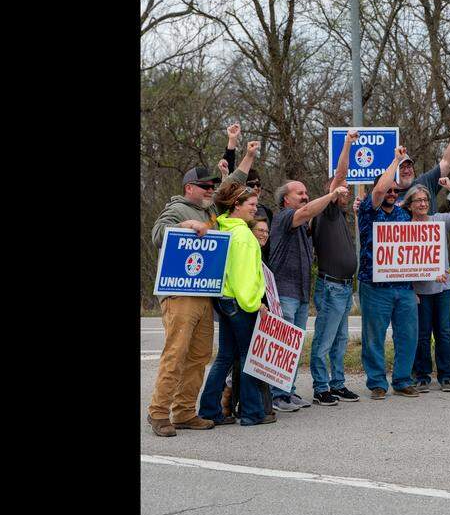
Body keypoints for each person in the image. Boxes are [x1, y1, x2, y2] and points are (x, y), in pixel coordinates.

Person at [146, 141, 258, 437]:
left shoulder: (211, 210)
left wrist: (247, 156)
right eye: (204, 186)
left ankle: (184, 412)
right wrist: (185, 226)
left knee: (199, 356)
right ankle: (158, 413)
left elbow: (231, 185)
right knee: (176, 354)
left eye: (211, 186)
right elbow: (158, 235)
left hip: (205, 296)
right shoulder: (177, 209)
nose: (210, 190)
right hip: (180, 295)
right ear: (188, 188)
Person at [197, 182, 275, 426]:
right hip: (241, 304)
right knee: (247, 357)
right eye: (251, 205)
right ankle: (252, 413)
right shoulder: (242, 235)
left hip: (224, 300)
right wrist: (253, 304)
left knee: (225, 357)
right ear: (236, 205)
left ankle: (210, 410)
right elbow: (243, 276)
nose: (255, 209)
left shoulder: (224, 227)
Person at [268, 178, 349, 412]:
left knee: (293, 346)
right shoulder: (285, 217)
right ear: (286, 199)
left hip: (301, 293)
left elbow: (312, 210)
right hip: (285, 292)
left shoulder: (303, 224)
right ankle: (277, 394)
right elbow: (307, 210)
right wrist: (331, 195)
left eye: (306, 192)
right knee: (282, 345)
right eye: (300, 193)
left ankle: (288, 391)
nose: (305, 196)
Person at [357, 146, 419, 399]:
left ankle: (402, 379)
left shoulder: (405, 214)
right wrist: (395, 160)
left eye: (395, 191)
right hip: (375, 286)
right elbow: (380, 190)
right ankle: (377, 382)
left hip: (403, 287)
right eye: (388, 190)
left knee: (407, 335)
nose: (391, 194)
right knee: (374, 336)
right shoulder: (368, 210)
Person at [401, 177, 450, 392]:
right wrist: (410, 288)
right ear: (409, 204)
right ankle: (422, 376)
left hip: (442, 289)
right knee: (421, 335)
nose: (422, 204)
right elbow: (401, 261)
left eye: (425, 200)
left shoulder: (438, 221)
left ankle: (446, 377)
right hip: (419, 290)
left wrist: (449, 188)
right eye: (417, 200)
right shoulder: (403, 227)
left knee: (443, 332)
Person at [309, 129, 361, 406]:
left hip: (343, 287)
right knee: (325, 340)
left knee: (340, 341)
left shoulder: (340, 216)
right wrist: (347, 144)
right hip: (330, 287)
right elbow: (340, 176)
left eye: (347, 189)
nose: (346, 190)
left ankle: (337, 384)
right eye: (341, 189)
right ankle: (320, 387)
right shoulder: (326, 210)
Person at [396, 117, 450, 198]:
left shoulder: (426, 182)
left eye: (409, 166)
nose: (406, 171)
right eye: (401, 167)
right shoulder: (388, 195)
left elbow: (448, 162)